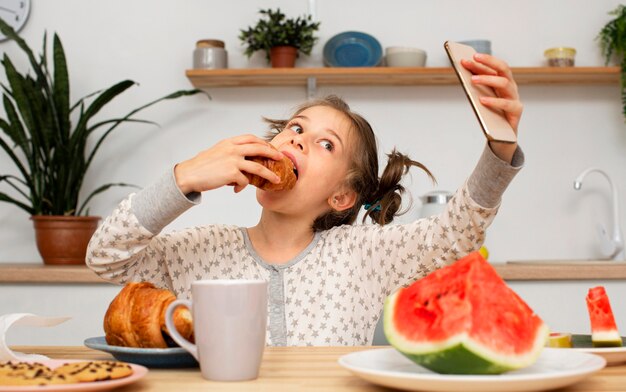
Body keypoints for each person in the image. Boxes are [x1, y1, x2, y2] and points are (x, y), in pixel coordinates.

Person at [87, 53, 524, 346]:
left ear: (342, 196)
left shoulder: (365, 255)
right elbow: (105, 256)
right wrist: (186, 176)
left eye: (326, 144)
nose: (297, 140)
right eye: (295, 129)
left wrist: (500, 144)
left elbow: (456, 234)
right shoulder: (200, 248)